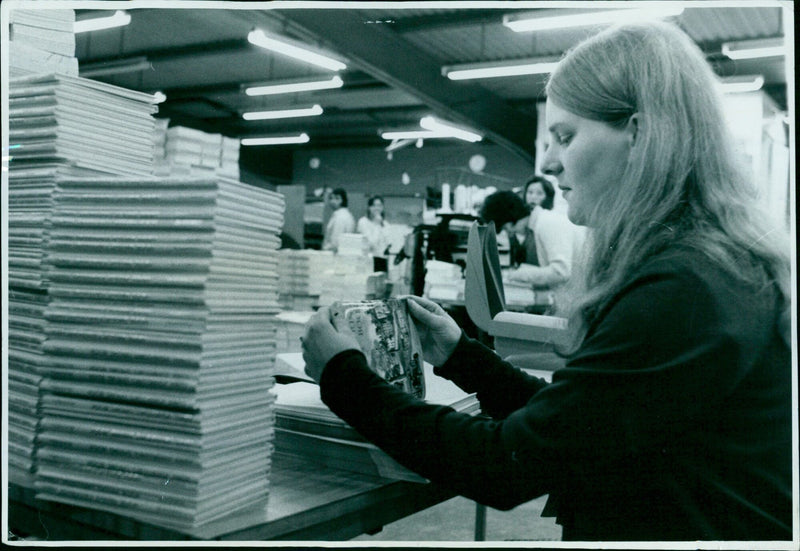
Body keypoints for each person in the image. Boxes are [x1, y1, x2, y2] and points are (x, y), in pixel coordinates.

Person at [301, 21, 792, 542]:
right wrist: (460, 356)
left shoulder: (687, 286)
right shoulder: (703, 261)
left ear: (640, 133)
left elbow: (507, 463)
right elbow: (581, 425)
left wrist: (342, 375)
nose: (549, 163)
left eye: (565, 136)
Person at [480, 188, 576, 290]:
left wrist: (517, 275)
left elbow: (561, 272)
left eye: (505, 228)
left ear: (510, 218)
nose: (509, 232)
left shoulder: (546, 223)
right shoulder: (537, 224)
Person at [321, 187, 355, 252]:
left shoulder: (341, 217)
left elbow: (335, 241)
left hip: (333, 254)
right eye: (331, 198)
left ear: (343, 200)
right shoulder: (346, 215)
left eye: (337, 198)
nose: (333, 201)